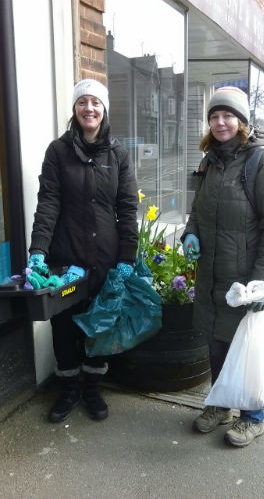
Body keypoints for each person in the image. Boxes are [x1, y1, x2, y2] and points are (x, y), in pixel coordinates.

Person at [28, 79, 138, 423]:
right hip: (65, 257)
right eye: (82, 102)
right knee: (63, 326)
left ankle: (92, 387)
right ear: (74, 110)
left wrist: (126, 259)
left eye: (95, 102)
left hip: (105, 258)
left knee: (99, 325)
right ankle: (68, 389)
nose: (89, 108)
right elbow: (48, 203)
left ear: (104, 110)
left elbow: (128, 208)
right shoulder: (57, 152)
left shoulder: (118, 154)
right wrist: (38, 251)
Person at [181, 86, 264, 448]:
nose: (220, 122)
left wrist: (263, 281)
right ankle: (220, 404)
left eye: (227, 115)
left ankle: (252, 417)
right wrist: (190, 234)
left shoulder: (261, 162)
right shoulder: (209, 161)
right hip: (212, 274)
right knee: (216, 342)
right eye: (214, 116)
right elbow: (197, 213)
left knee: (246, 346)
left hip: (246, 278)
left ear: (241, 121)